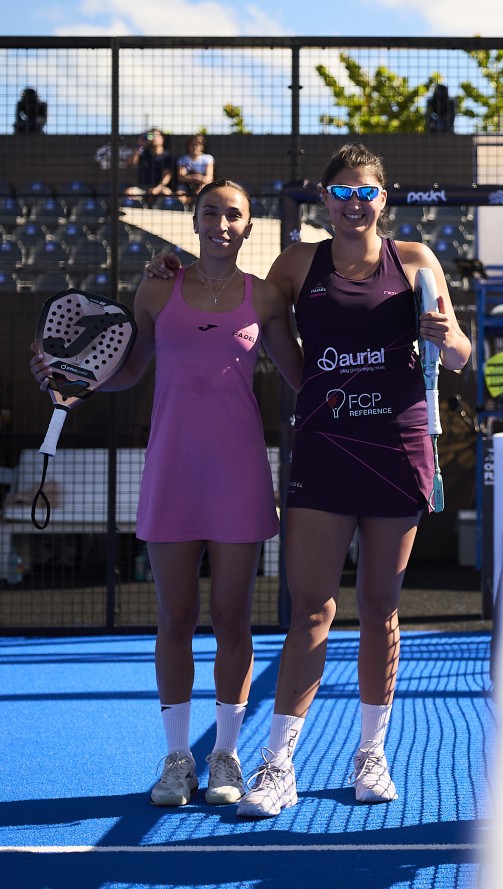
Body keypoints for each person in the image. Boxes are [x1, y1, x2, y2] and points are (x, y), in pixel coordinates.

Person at [146, 142, 471, 817]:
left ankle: (370, 755)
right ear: (325, 199)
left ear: (385, 198)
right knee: (312, 610)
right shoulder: (295, 266)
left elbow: (462, 356)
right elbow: (247, 310)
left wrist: (447, 335)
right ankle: (277, 764)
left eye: (367, 192)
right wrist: (168, 271)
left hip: (397, 448)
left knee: (381, 606)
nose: (354, 203)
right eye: (342, 192)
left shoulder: (415, 262)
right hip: (325, 450)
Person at [30, 180, 303, 808]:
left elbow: (300, 375)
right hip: (171, 473)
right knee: (175, 618)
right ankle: (179, 759)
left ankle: (226, 757)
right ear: (195, 220)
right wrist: (72, 378)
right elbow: (126, 370)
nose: (222, 223)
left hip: (238, 476)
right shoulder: (156, 288)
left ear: (249, 226)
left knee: (233, 619)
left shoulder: (264, 298)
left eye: (234, 214)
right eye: (211, 213)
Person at [125, 128, 175, 205]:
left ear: (162, 139)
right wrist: (140, 146)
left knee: (167, 193)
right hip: (143, 188)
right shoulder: (143, 153)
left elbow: (167, 175)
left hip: (160, 188)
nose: (154, 137)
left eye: (157, 135)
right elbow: (130, 164)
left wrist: (157, 189)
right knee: (129, 191)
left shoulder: (167, 156)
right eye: (151, 135)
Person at [177, 135, 216, 205]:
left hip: (202, 184)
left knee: (200, 192)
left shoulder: (208, 158)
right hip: (186, 185)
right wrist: (194, 178)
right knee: (180, 194)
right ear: (188, 146)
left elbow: (209, 178)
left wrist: (198, 179)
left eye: (198, 145)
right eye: (192, 145)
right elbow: (181, 177)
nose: (195, 147)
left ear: (202, 146)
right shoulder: (183, 160)